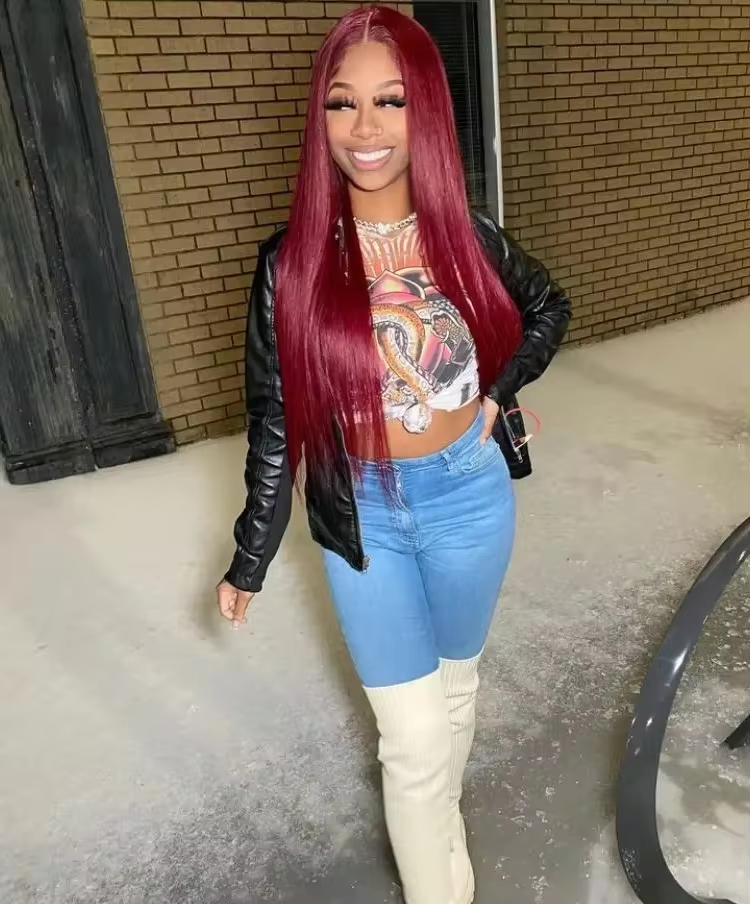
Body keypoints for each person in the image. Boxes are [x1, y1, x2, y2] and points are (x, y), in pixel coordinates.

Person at [216, 7, 570, 903]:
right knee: (411, 741)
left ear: (428, 114)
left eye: (391, 100)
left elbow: (548, 307)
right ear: (321, 118)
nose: (365, 127)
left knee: (454, 696)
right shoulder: (291, 265)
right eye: (343, 103)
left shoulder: (467, 237)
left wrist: (497, 390)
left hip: (468, 496)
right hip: (363, 514)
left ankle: (443, 839)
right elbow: (273, 417)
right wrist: (251, 554)